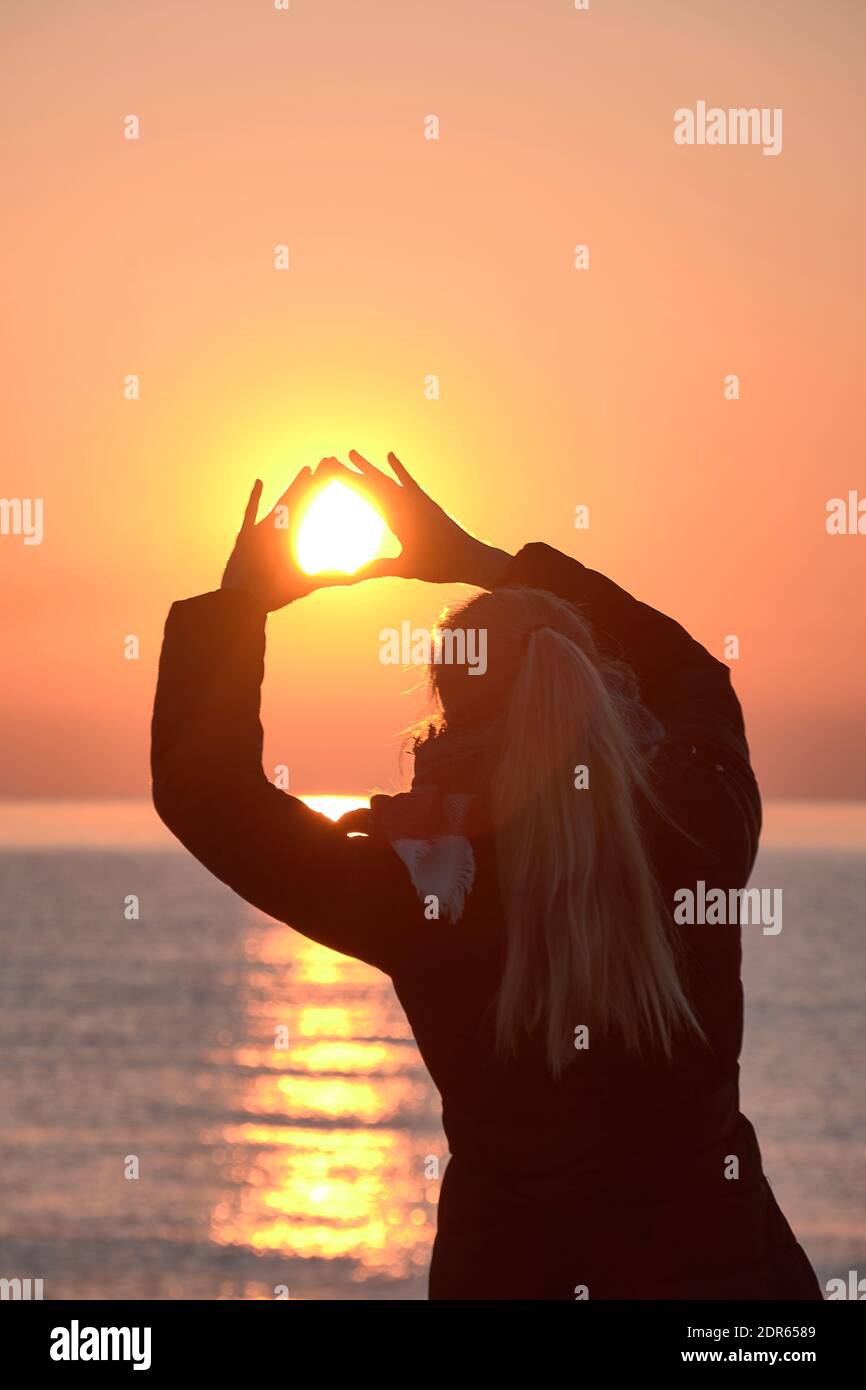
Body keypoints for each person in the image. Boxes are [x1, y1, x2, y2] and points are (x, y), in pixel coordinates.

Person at [151, 451, 821, 1300]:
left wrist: (239, 604)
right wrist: (482, 561)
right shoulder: (702, 827)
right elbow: (694, 677)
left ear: (447, 714)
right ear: (596, 688)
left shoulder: (428, 886)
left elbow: (208, 797)